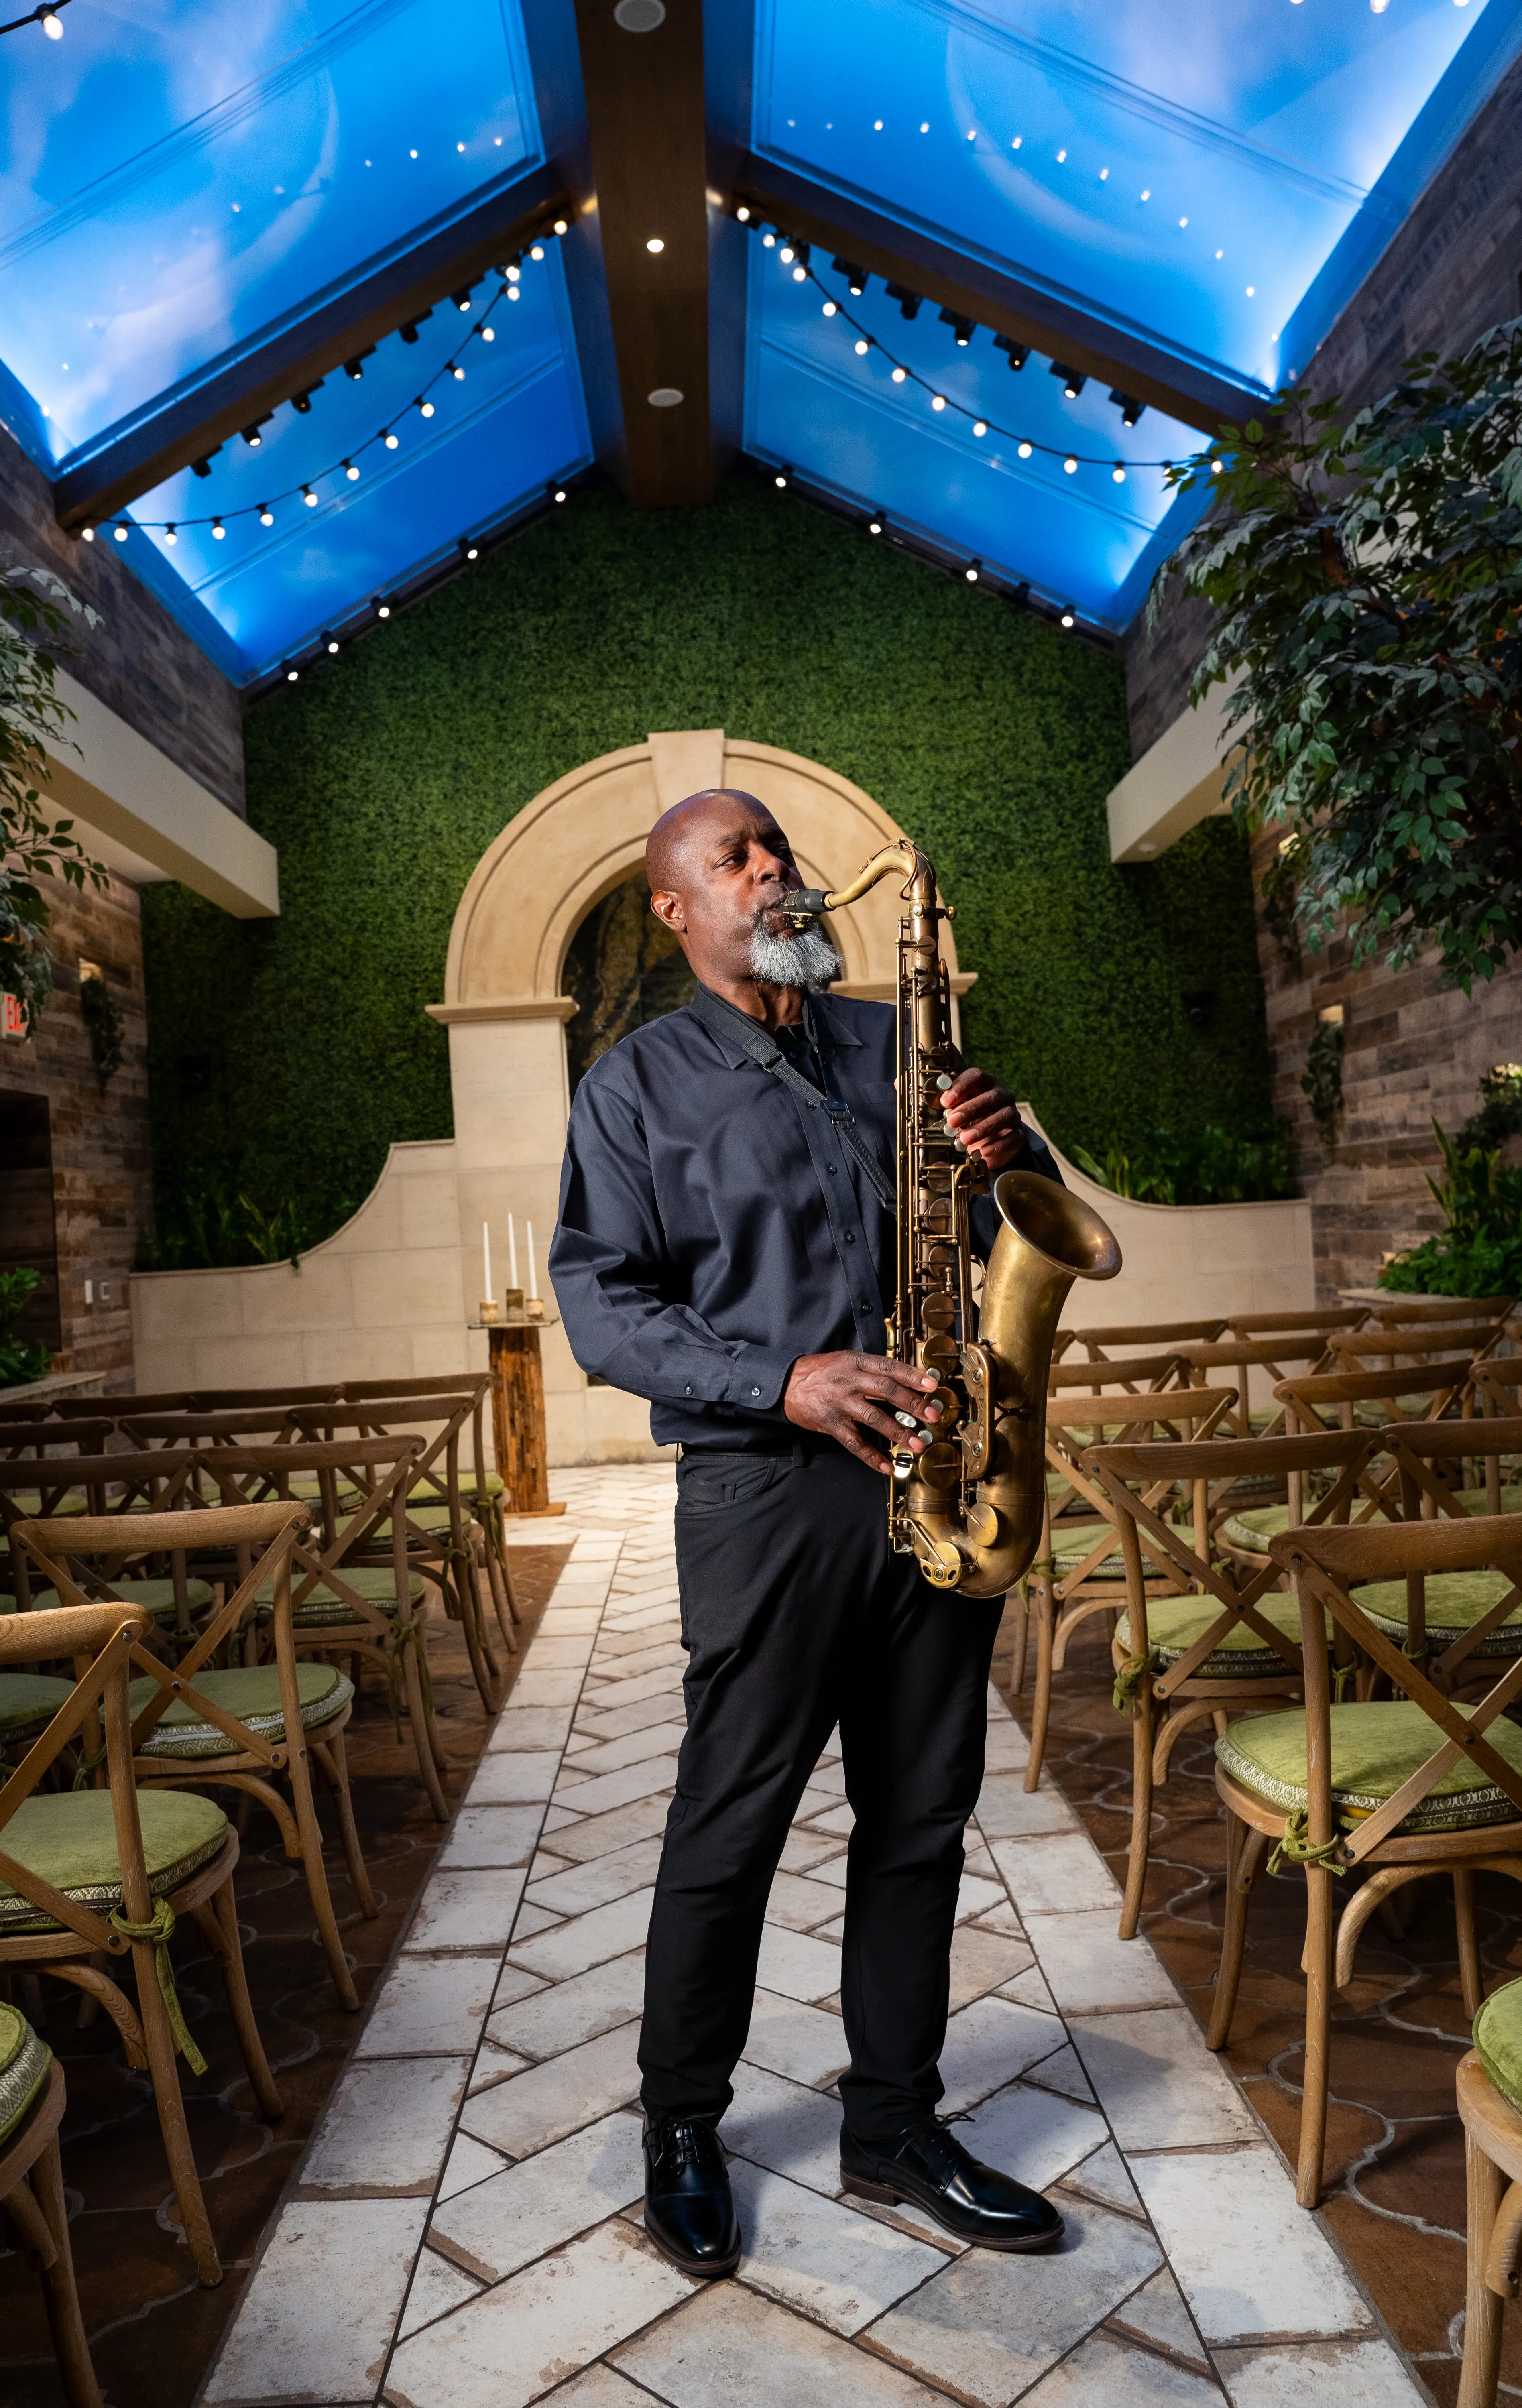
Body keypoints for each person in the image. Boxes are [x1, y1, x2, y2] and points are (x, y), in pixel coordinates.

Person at [549, 787, 1066, 2276]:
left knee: (922, 1815)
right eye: (737, 858)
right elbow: (604, 1307)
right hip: (766, 1496)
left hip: (937, 1466)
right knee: (734, 1820)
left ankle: (893, 2121)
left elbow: (1007, 1228)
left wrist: (1005, 1159)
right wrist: (783, 1380)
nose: (774, 871)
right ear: (676, 907)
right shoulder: (633, 1087)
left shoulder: (901, 1044)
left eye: (777, 848)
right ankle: (680, 2125)